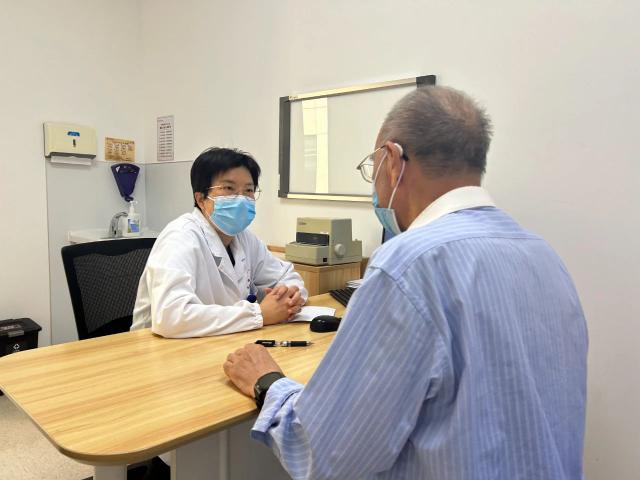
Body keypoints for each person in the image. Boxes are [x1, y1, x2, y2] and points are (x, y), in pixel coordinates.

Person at [223, 86, 588, 479]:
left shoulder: (407, 265)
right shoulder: (542, 254)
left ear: (392, 161)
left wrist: (268, 382)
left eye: (372, 168)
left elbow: (325, 454)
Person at [132, 147, 307, 338]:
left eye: (248, 190)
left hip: (221, 341)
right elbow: (170, 317)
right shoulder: (180, 237)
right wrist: (260, 314)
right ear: (201, 199)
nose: (241, 199)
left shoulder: (244, 238)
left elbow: (287, 276)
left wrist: (288, 297)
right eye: (229, 189)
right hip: (159, 349)